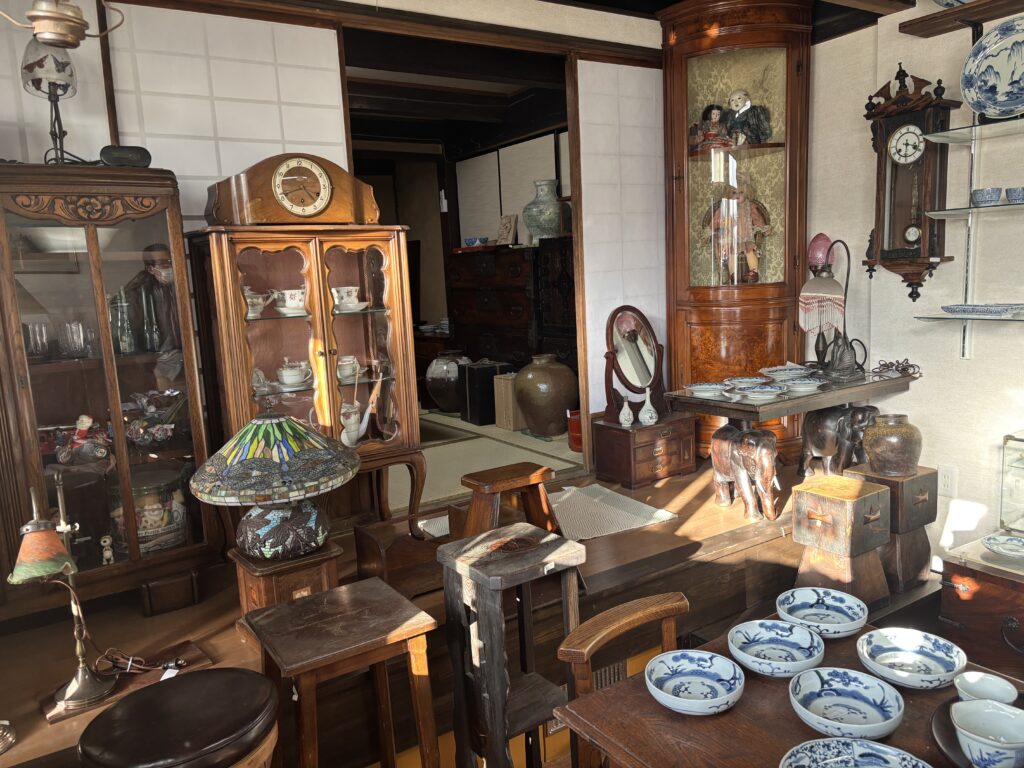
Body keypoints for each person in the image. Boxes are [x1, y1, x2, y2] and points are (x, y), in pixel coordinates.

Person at [121, 243, 183, 387]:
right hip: (151, 361)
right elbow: (131, 330)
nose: (169, 267)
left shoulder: (180, 285)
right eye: (163, 264)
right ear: (150, 269)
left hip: (179, 357)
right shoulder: (138, 293)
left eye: (171, 261)